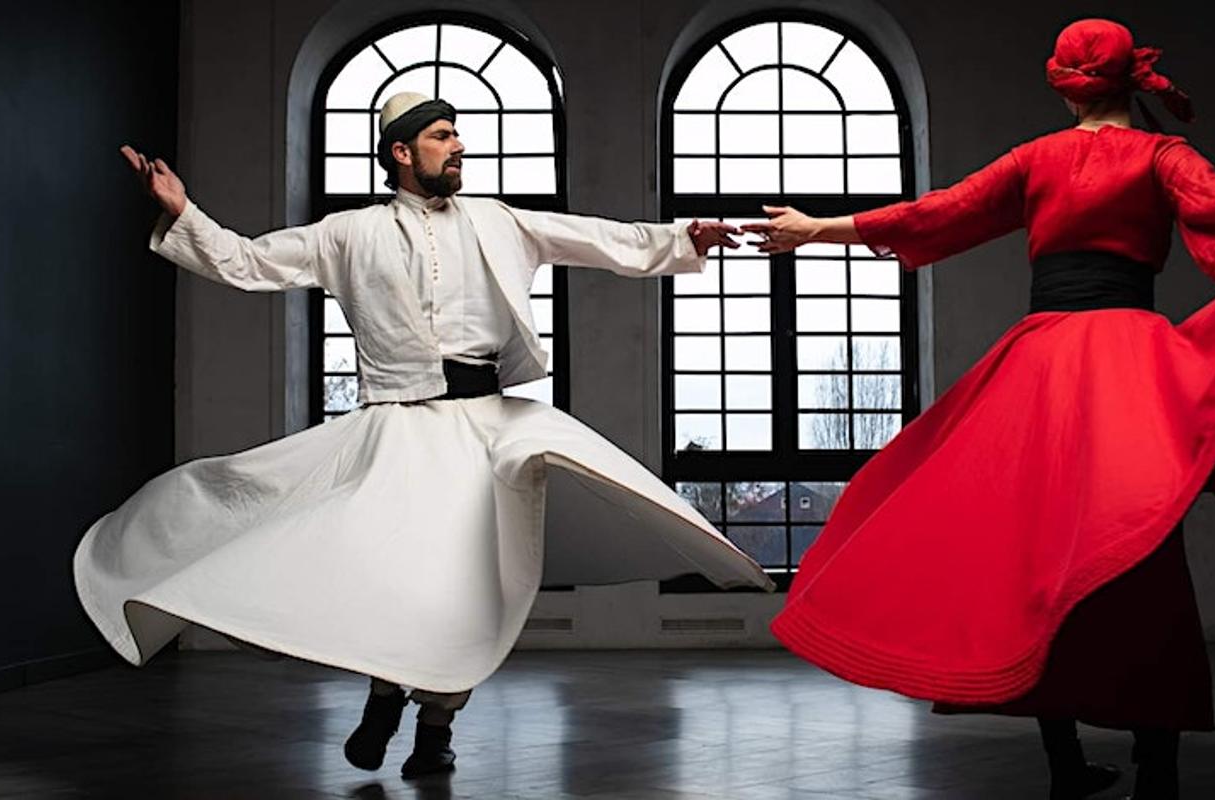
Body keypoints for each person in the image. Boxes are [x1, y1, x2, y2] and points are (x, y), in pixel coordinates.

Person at [745, 19, 1215, 800]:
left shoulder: (1038, 158)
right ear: (1131, 81)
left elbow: (940, 212)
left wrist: (816, 229)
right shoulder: (1160, 155)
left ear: (1064, 88)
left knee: (1037, 562)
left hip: (1042, 368)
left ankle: (1066, 767)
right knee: (1143, 557)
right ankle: (1157, 771)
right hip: (1130, 363)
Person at [77, 91, 772, 780]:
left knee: (471, 588)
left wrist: (683, 239)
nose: (459, 145)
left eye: (457, 133)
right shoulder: (348, 233)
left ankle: (436, 729)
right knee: (400, 577)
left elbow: (597, 238)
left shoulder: (499, 221)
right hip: (398, 431)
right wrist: (184, 213)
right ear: (402, 152)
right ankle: (385, 695)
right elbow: (251, 262)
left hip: (487, 428)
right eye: (443, 135)